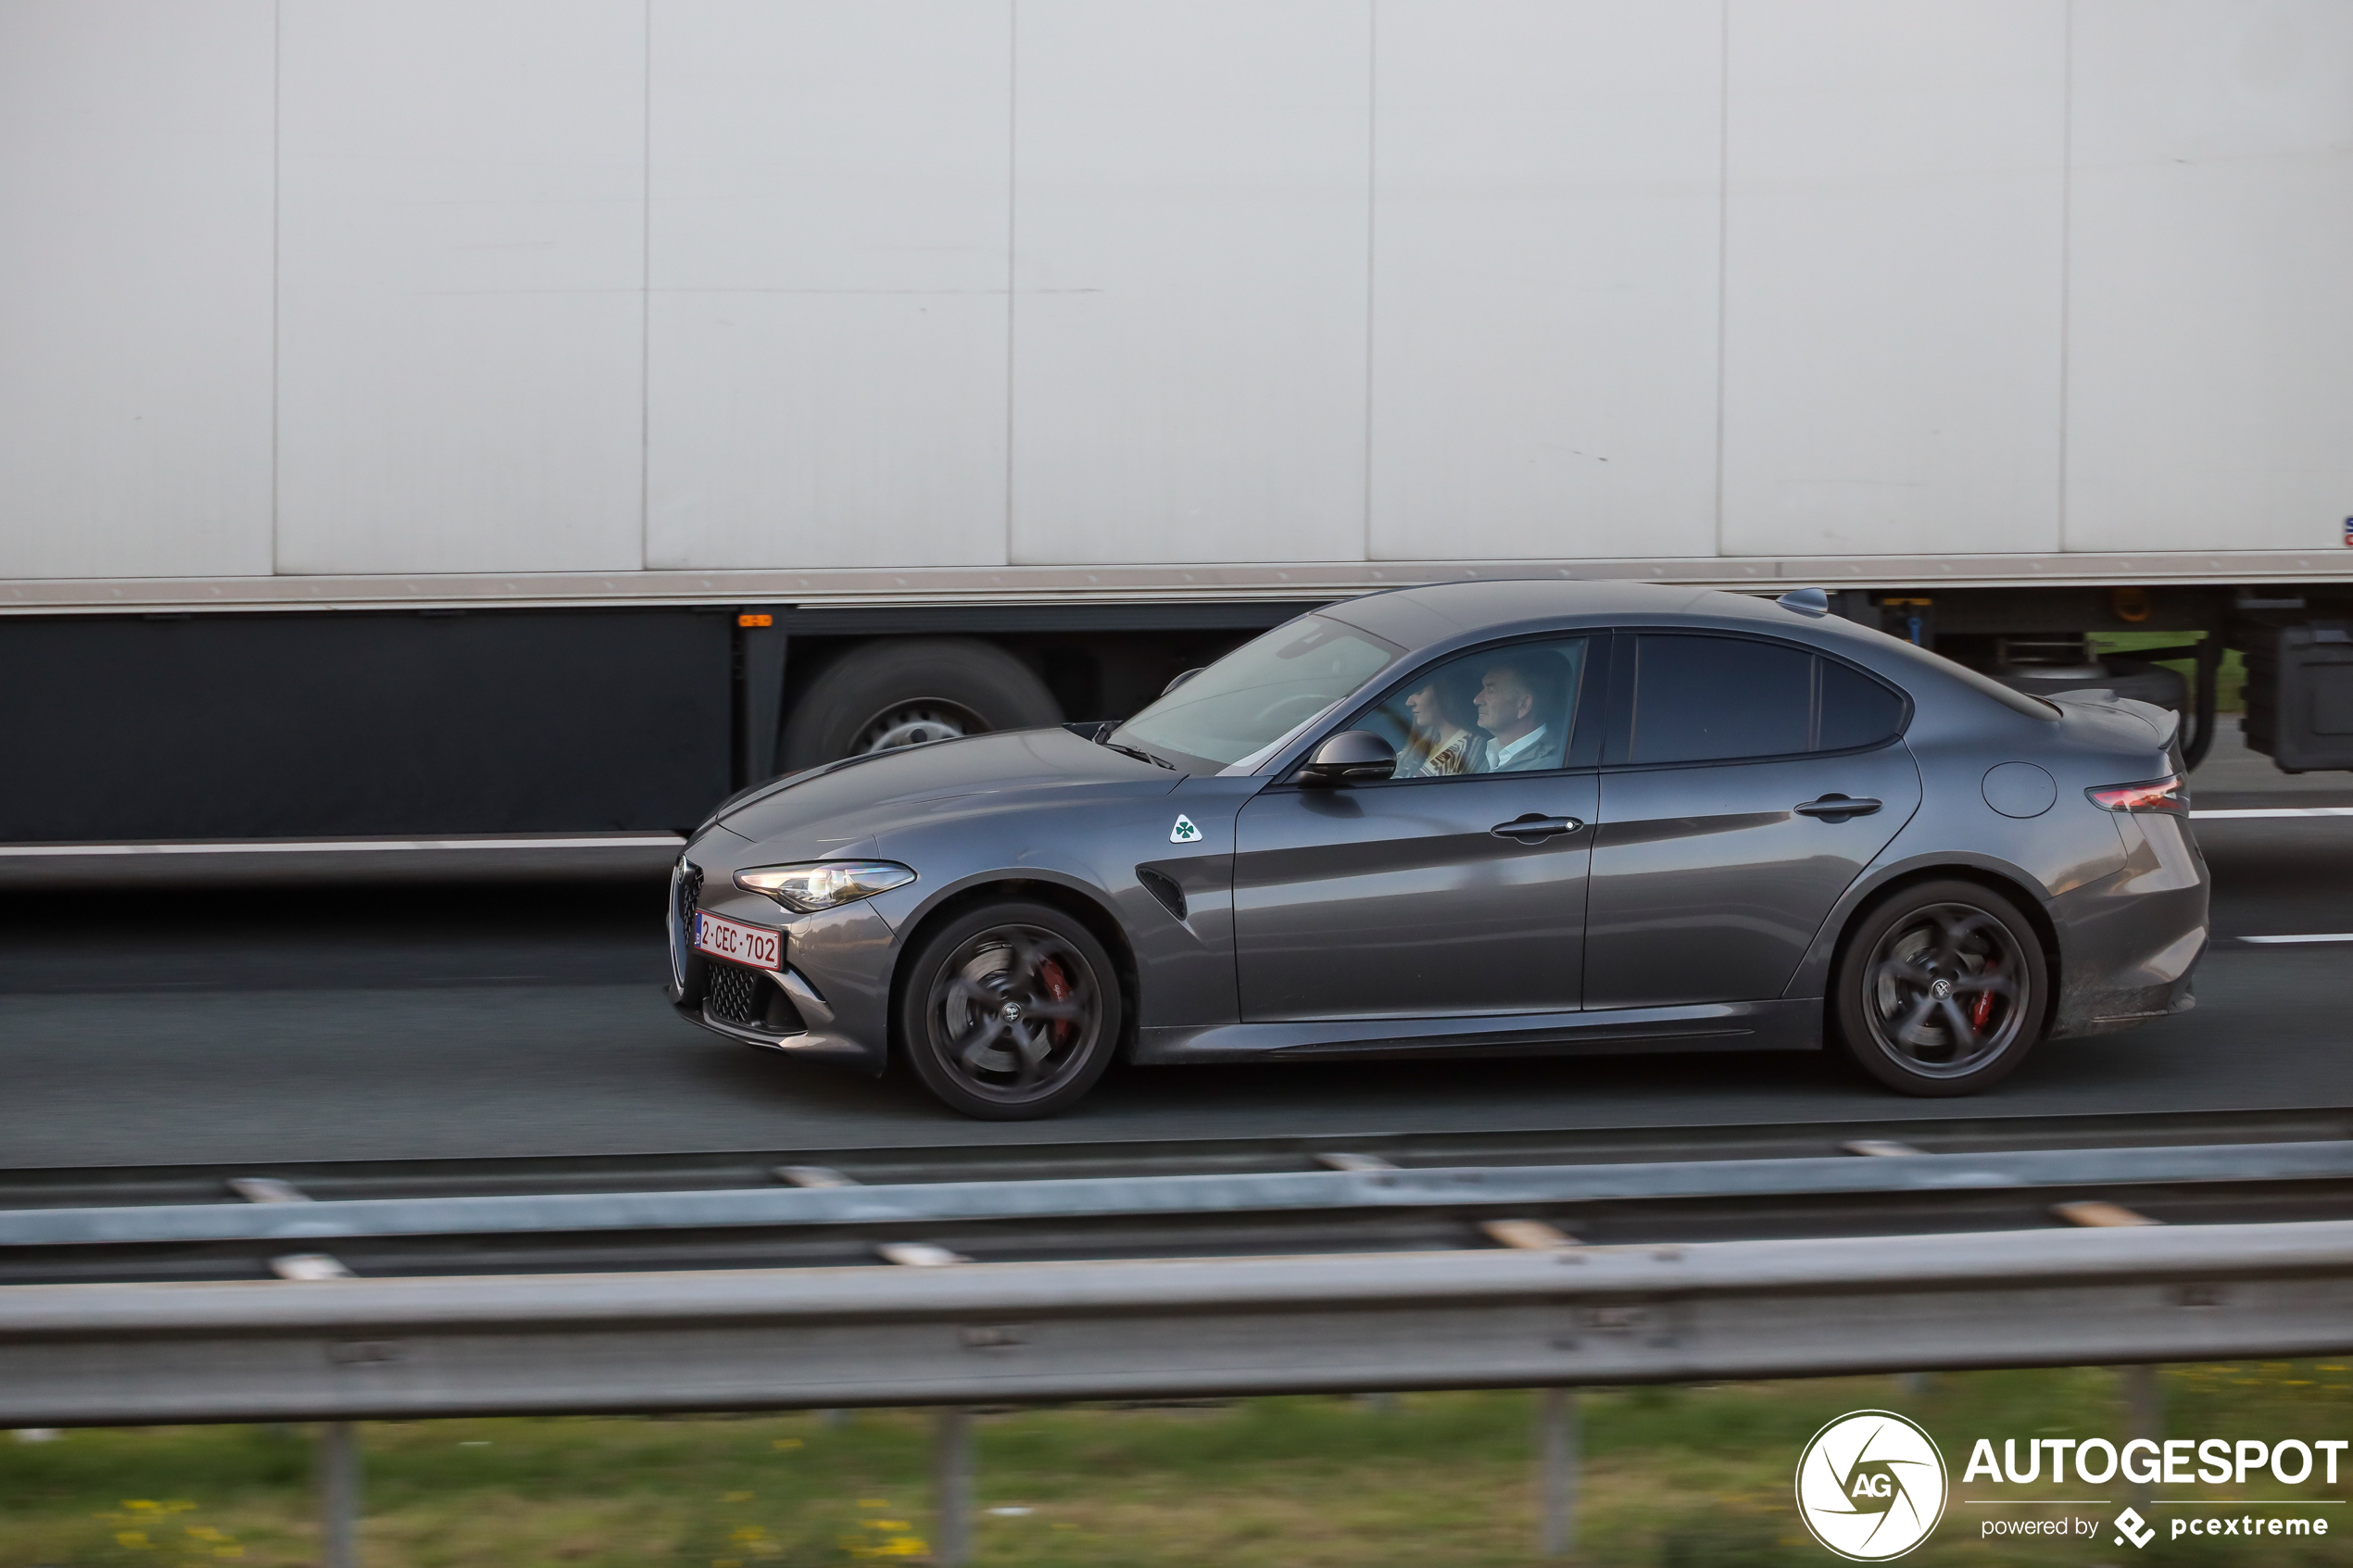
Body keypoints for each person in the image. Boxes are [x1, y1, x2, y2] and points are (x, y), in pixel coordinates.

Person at [1472, 654, 1567, 772]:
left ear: (1523, 705)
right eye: (1483, 689)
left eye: (1491, 691)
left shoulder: (1545, 768)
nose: (1477, 700)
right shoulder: (1490, 755)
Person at [1399, 675, 1478, 778]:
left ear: (1444, 695)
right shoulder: (1424, 743)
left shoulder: (1465, 750)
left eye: (1419, 693)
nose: (1409, 703)